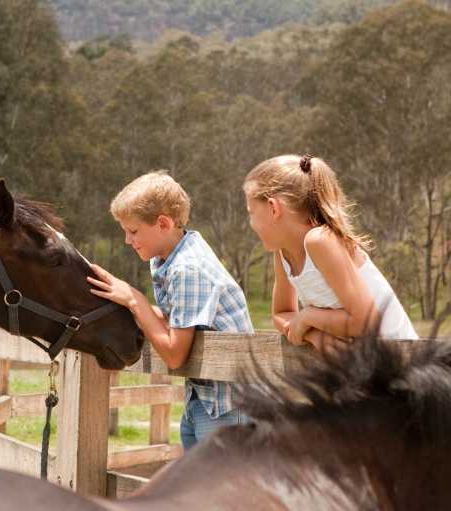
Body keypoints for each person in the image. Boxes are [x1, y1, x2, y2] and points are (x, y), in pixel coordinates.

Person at [88, 170, 254, 450]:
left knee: (222, 493)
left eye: (133, 231)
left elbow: (175, 355)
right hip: (204, 398)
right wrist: (123, 304)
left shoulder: (187, 268)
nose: (128, 240)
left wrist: (136, 300)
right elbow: (180, 318)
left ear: (163, 224)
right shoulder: (173, 255)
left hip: (229, 406)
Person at [243, 154, 418, 353]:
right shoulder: (284, 251)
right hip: (361, 369)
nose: (251, 223)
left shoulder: (320, 240)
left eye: (251, 212)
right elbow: (282, 313)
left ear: (274, 208)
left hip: (400, 363)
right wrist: (314, 334)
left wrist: (309, 316)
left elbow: (367, 321)